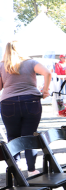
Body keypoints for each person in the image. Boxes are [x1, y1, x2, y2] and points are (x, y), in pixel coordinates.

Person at [0, 41, 51, 175]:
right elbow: (47, 73)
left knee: (12, 137)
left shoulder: (2, 65)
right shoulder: (31, 63)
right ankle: (32, 170)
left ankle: (15, 169)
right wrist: (45, 91)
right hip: (31, 101)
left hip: (8, 103)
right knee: (30, 136)